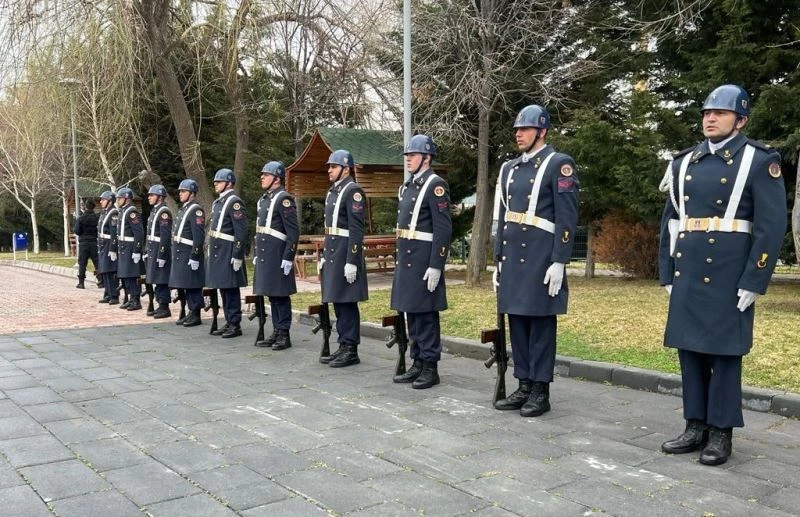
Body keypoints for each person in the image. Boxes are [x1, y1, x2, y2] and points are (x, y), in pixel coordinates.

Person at [658, 84, 786, 466]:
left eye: (720, 113)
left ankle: (720, 432)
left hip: (729, 274)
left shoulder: (759, 160)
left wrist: (755, 279)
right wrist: (667, 271)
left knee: (724, 354)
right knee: (689, 351)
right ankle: (694, 425)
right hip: (689, 270)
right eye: (706, 113)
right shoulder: (684, 162)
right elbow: (671, 222)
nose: (710, 118)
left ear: (740, 120)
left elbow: (771, 227)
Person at [492, 105, 579, 416]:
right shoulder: (510, 168)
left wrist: (560, 261)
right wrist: (497, 259)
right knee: (517, 322)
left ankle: (540, 390)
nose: (519, 134)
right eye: (517, 129)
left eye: (525, 129)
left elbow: (567, 217)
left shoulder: (559, 164)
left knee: (540, 324)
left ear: (541, 131)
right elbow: (502, 215)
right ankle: (524, 383)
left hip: (541, 257)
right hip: (513, 257)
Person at [390, 135, 452, 389]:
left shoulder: (436, 185)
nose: (408, 159)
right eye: (407, 155)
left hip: (424, 260)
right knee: (412, 314)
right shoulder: (408, 186)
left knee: (425, 315)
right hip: (408, 258)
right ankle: (417, 362)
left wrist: (436, 264)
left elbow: (443, 229)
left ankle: (430, 366)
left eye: (412, 155)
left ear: (426, 158)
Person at [318, 150, 368, 367]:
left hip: (345, 253)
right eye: (329, 167)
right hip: (334, 252)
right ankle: (343, 343)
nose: (329, 170)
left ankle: (351, 348)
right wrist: (325, 255)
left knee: (347, 302)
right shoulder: (334, 191)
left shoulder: (353, 191)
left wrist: (352, 260)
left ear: (346, 169)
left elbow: (356, 229)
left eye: (333, 167)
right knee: (338, 300)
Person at [252, 161, 299, 350]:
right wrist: (257, 252)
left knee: (280, 295)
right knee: (272, 295)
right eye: (262, 174)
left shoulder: (284, 199)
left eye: (266, 175)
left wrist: (288, 256)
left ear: (277, 179)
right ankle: (276, 331)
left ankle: (284, 334)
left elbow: (293, 232)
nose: (262, 177)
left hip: (278, 254)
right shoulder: (264, 199)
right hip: (267, 254)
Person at [206, 168, 248, 338]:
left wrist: (237, 254)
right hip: (219, 249)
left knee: (230, 288)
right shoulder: (218, 202)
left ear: (229, 183)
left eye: (219, 181)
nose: (216, 184)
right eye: (215, 181)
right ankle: (229, 320)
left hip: (228, 250)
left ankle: (235, 323)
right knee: (223, 287)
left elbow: (241, 232)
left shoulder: (234, 202)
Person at [169, 179, 206, 327]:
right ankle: (191, 312)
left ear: (192, 193)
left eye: (183, 191)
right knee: (186, 283)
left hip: (188, 252)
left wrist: (195, 255)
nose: (180, 194)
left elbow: (198, 236)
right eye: (180, 191)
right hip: (181, 252)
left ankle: (195, 313)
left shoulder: (195, 210)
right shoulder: (184, 209)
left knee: (193, 284)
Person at [113, 188, 145, 311]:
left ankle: (136, 299)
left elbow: (139, 233)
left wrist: (137, 250)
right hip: (123, 247)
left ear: (126, 199)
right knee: (126, 275)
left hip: (130, 247)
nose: (117, 200)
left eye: (120, 198)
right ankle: (131, 298)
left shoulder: (132, 212)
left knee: (132, 275)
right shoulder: (123, 211)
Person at [144, 184, 173, 319]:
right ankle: (160, 304)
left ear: (160, 197)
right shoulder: (155, 211)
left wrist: (162, 254)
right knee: (156, 278)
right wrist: (146, 250)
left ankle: (164, 306)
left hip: (159, 249)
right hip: (152, 249)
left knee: (161, 279)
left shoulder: (163, 212)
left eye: (152, 195)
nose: (149, 197)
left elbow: (165, 236)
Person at [97, 191, 120, 305]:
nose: (101, 201)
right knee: (104, 270)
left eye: (103, 199)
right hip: (103, 245)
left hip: (108, 245)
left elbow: (114, 233)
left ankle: (114, 295)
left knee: (109, 271)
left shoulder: (113, 213)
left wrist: (113, 248)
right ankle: (107, 293)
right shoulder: (105, 212)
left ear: (110, 201)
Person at [73, 199, 101, 289]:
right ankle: (100, 281)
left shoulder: (81, 218)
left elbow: (76, 230)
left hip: (84, 243)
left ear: (85, 207)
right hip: (94, 242)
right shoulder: (97, 218)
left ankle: (81, 283)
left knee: (82, 263)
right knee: (97, 262)